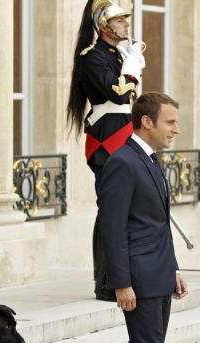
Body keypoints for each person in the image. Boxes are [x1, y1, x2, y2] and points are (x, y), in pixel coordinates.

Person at [75, 93, 192, 343]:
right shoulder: (122, 162)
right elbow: (112, 229)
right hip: (138, 278)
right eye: (170, 122)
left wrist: (173, 268)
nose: (176, 129)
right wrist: (121, 283)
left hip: (158, 272)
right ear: (146, 121)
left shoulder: (149, 158)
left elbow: (156, 224)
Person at [66, 0, 145, 301]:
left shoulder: (119, 54)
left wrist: (130, 60)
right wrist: (132, 64)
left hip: (124, 136)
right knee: (111, 211)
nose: (126, 24)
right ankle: (105, 280)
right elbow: (118, 92)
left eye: (126, 19)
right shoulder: (92, 56)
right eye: (120, 20)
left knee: (124, 211)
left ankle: (121, 274)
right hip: (106, 141)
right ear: (103, 25)